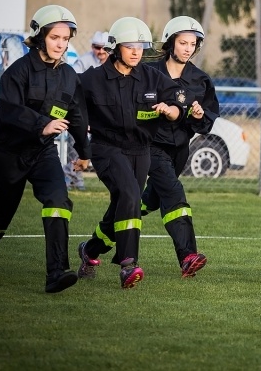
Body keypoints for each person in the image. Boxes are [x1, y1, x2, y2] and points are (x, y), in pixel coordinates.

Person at [0, 5, 91, 293]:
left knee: (58, 201)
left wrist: (85, 154)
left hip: (43, 153)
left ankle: (56, 273)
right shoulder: (17, 72)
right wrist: (42, 125)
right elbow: (7, 111)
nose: (61, 44)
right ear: (39, 37)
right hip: (9, 154)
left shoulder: (69, 75)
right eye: (55, 37)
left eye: (65, 39)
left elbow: (77, 116)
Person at [76, 16, 184, 289]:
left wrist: (170, 110)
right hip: (106, 148)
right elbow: (70, 104)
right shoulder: (92, 79)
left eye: (140, 47)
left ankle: (90, 250)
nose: (136, 52)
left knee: (124, 203)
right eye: (130, 46)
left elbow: (177, 102)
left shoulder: (152, 77)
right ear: (115, 47)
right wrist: (81, 141)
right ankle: (128, 264)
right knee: (130, 195)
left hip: (141, 150)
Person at [140, 16, 219, 278]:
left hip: (180, 150)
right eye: (183, 42)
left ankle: (93, 246)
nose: (187, 48)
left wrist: (198, 116)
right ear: (170, 42)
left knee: (149, 200)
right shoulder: (147, 72)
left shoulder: (201, 80)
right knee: (174, 194)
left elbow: (207, 122)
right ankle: (188, 257)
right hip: (151, 147)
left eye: (192, 44)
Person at [63, 30, 109, 191]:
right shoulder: (84, 61)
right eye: (97, 47)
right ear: (92, 47)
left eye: (104, 48)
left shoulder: (114, 62)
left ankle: (73, 176)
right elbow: (73, 82)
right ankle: (72, 176)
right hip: (84, 108)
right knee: (76, 144)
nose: (101, 51)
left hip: (103, 112)